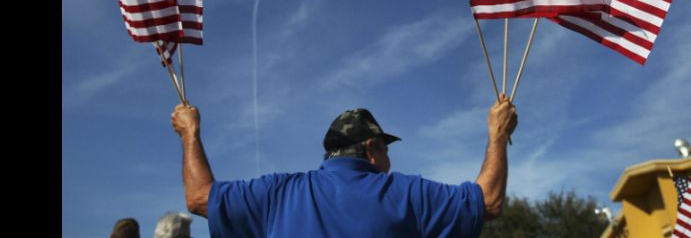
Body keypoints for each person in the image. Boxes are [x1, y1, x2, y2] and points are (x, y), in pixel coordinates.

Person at [171, 93, 518, 237]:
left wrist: (190, 133)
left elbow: (200, 197)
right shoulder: (405, 194)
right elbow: (488, 201)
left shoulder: (277, 193)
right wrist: (497, 135)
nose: (388, 160)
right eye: (386, 149)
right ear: (371, 148)